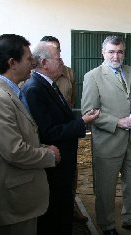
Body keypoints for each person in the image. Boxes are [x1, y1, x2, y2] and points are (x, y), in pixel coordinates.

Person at [0, 34, 60, 235]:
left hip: (20, 194)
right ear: (12, 63)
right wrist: (49, 155)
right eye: (28, 59)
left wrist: (42, 147)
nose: (33, 62)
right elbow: (14, 151)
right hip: (11, 199)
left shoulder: (10, 92)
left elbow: (22, 137)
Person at [22, 41, 99, 235]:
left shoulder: (48, 84)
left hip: (63, 161)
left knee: (63, 207)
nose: (63, 63)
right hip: (54, 164)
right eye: (59, 58)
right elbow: (48, 132)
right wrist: (82, 122)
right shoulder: (34, 89)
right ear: (45, 63)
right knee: (54, 212)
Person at [81, 36, 131, 235]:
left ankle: (130, 219)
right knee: (105, 188)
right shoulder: (93, 76)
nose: (115, 56)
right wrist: (117, 122)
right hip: (108, 142)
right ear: (103, 52)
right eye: (111, 52)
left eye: (119, 51)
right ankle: (107, 225)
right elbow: (89, 111)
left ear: (124, 52)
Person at [39, 36, 87, 223]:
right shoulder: (35, 81)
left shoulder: (69, 73)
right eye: (54, 52)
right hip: (50, 134)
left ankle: (71, 207)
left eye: (58, 50)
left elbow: (71, 99)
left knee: (70, 174)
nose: (59, 57)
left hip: (67, 130)